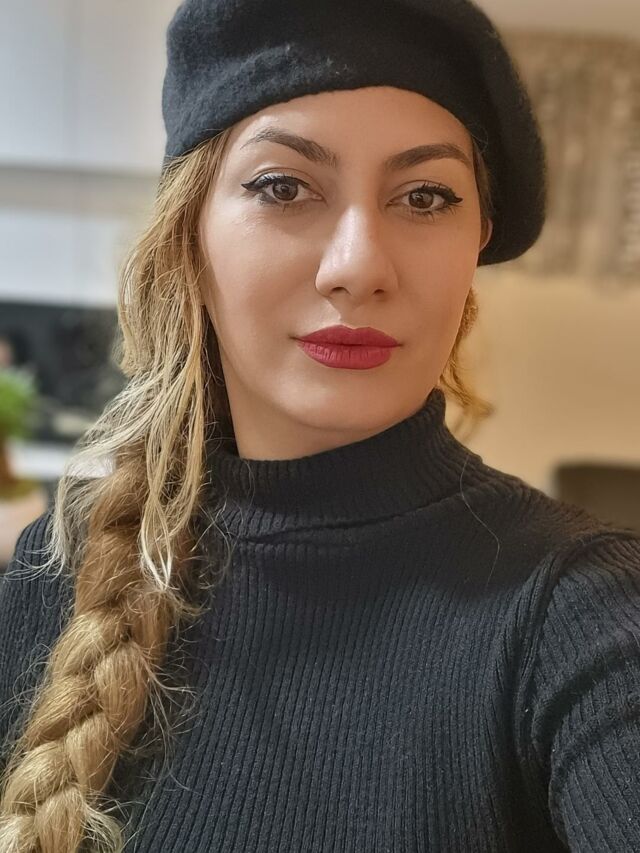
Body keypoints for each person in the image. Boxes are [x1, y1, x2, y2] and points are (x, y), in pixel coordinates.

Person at [1, 0, 639, 850]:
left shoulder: (581, 612)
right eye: (283, 187)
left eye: (425, 196)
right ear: (189, 233)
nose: (358, 266)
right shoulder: (55, 571)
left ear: (475, 244)